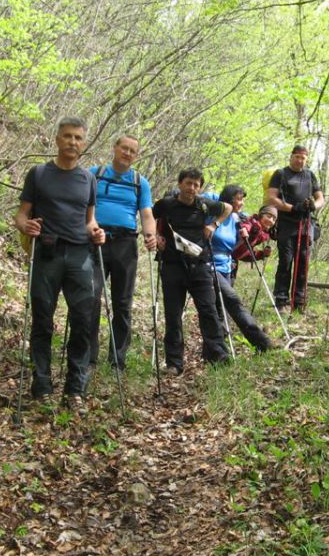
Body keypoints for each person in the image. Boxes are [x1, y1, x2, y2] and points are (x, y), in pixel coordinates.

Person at [14, 117, 105, 407]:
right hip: (47, 254)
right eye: (67, 136)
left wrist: (97, 232)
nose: (72, 142)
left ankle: (74, 388)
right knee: (42, 319)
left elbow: (90, 219)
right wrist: (25, 226)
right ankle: (41, 385)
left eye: (78, 138)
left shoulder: (89, 179)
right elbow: (21, 214)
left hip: (80, 255)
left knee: (83, 319)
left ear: (84, 143)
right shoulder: (39, 174)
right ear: (57, 139)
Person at [152, 168, 231, 375]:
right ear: (180, 184)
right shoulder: (167, 204)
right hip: (172, 266)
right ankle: (174, 363)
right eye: (188, 183)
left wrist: (214, 225)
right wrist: (155, 236)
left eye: (196, 185)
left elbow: (228, 208)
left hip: (199, 265)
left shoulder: (205, 204)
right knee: (173, 315)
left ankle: (218, 356)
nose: (192, 188)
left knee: (209, 311)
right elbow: (149, 214)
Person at [88, 134, 156, 371]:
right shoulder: (94, 174)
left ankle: (118, 358)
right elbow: (83, 205)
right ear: (114, 148)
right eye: (124, 148)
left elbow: (147, 214)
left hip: (125, 243)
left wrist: (150, 235)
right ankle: (88, 356)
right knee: (91, 297)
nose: (127, 154)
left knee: (122, 301)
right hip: (95, 240)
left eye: (132, 151)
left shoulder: (140, 182)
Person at [210, 185, 274, 352]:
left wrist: (259, 254)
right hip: (208, 265)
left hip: (227, 267)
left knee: (221, 306)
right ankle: (262, 342)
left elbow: (239, 250)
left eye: (243, 199)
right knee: (233, 301)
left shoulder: (236, 219)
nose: (242, 203)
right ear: (229, 199)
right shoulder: (213, 213)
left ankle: (219, 346)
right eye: (239, 199)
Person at [265, 145, 325, 312]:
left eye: (303, 158)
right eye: (297, 157)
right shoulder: (281, 174)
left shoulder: (310, 175)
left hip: (306, 225)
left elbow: (320, 199)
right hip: (286, 223)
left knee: (303, 263)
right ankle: (281, 300)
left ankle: (299, 301)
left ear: (306, 159)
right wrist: (292, 208)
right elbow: (271, 198)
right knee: (286, 261)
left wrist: (313, 205)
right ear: (291, 157)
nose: (300, 160)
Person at [232, 205, 277, 273]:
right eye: (268, 216)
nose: (271, 220)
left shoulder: (260, 235)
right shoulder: (252, 223)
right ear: (261, 215)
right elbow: (246, 225)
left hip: (232, 262)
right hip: (223, 259)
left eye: (274, 219)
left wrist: (262, 254)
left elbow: (243, 254)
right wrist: (245, 230)